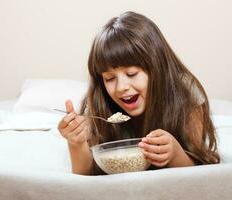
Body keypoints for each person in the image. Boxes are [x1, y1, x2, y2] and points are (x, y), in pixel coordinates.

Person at [58, 11, 220, 175]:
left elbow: (200, 169)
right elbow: (84, 177)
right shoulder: (99, 103)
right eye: (109, 78)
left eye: (132, 74)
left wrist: (175, 155)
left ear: (157, 68)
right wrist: (76, 143)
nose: (121, 87)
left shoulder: (186, 93)